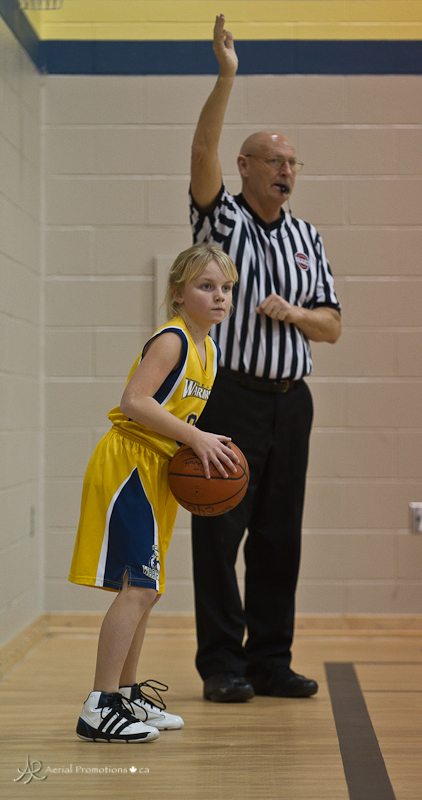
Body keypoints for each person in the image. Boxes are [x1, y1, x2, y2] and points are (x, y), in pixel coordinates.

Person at [189, 15, 342, 703]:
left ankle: (269, 661)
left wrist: (297, 315)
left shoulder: (307, 237)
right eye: (273, 161)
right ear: (245, 168)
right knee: (220, 530)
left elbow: (332, 325)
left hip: (291, 401)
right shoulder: (223, 221)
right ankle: (222, 664)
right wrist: (227, 77)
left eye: (292, 163)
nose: (286, 171)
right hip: (231, 396)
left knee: (280, 537)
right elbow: (202, 151)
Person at [69, 242, 239, 741]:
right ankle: (99, 706)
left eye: (226, 287)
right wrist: (196, 438)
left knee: (149, 588)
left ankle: (125, 695)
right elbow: (134, 401)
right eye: (206, 286)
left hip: (158, 470)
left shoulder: (210, 351)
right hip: (129, 463)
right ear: (178, 293)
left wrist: (196, 446)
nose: (220, 296)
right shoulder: (172, 339)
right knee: (139, 586)